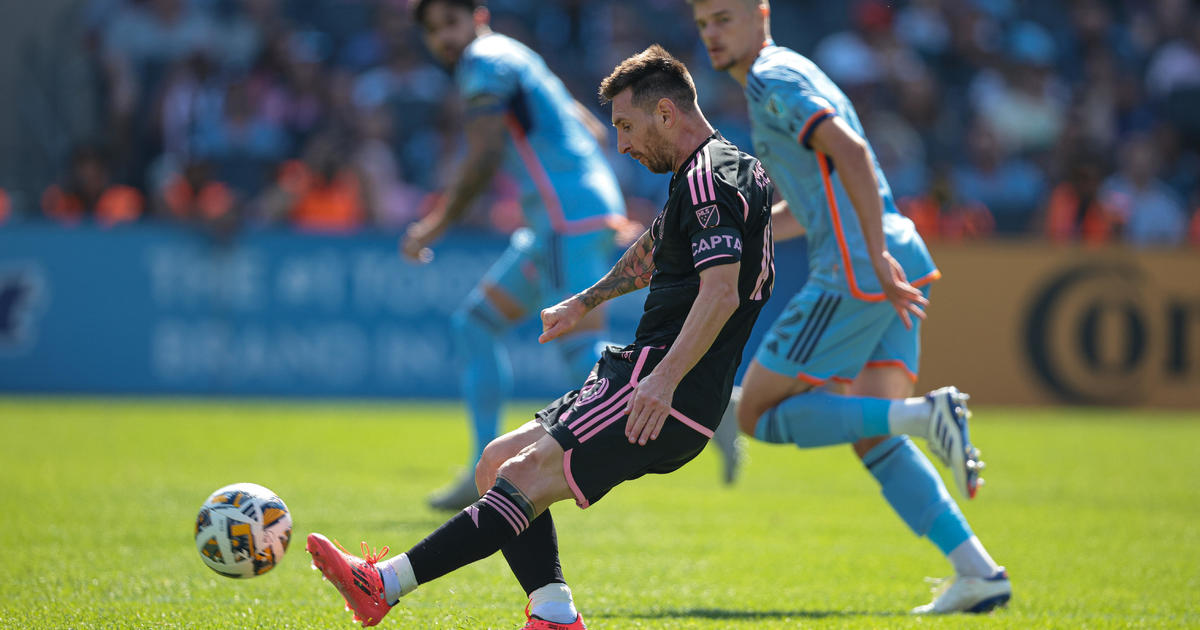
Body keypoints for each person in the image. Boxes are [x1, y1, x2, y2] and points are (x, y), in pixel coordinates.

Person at [307, 44, 775, 629]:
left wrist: (662, 381)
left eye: (628, 126)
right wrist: (587, 299)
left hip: (666, 386)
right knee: (496, 463)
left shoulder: (710, 177)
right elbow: (658, 248)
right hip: (648, 374)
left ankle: (384, 583)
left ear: (666, 113)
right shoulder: (716, 168)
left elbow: (721, 293)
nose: (623, 145)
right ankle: (553, 613)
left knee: (521, 478)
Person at [689, 0, 1012, 614]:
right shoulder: (786, 73)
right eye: (704, 23)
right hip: (894, 254)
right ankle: (979, 573)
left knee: (757, 412)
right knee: (874, 434)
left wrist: (871, 257)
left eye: (725, 18)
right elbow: (815, 200)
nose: (712, 33)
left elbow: (853, 155)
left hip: (859, 268)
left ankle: (926, 416)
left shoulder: (771, 77)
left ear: (761, 14)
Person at [400, 0, 752, 508]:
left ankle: (701, 407)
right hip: (561, 219)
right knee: (475, 323)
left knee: (581, 353)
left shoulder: (484, 62)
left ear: (478, 18)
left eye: (451, 24)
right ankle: (483, 464)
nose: (444, 39)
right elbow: (586, 125)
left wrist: (435, 224)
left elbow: (485, 153)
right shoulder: (517, 56)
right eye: (433, 32)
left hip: (566, 219)